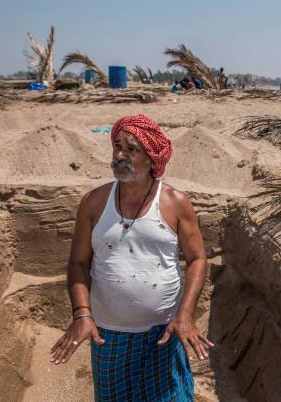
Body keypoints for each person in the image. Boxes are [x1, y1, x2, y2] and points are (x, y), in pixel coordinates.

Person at [50, 114, 213, 401]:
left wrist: (185, 315)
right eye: (117, 146)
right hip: (108, 334)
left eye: (132, 149)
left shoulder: (175, 203)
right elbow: (78, 264)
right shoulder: (94, 202)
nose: (120, 156)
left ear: (152, 159)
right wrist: (82, 314)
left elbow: (198, 259)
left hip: (163, 332)